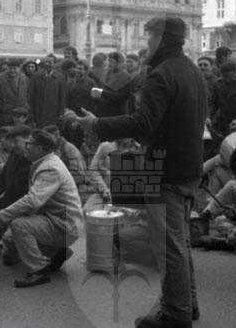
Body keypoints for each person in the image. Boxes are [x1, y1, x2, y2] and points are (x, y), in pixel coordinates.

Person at [76, 17, 207, 328]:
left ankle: (176, 313)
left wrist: (96, 124)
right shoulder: (192, 70)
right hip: (188, 167)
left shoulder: (162, 74)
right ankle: (187, 304)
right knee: (180, 241)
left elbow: (142, 123)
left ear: (162, 38)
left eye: (150, 37)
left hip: (166, 170)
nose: (146, 43)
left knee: (168, 245)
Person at [0, 130, 83, 288]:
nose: (25, 147)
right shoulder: (41, 162)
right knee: (10, 239)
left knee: (19, 226)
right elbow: (6, 183)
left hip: (65, 225)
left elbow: (31, 201)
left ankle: (39, 270)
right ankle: (56, 252)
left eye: (28, 144)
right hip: (54, 219)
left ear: (39, 149)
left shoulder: (50, 168)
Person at [28, 55, 67, 128]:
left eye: (49, 62)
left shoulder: (60, 78)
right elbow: (31, 96)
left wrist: (61, 113)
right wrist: (31, 112)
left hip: (53, 112)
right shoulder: (36, 76)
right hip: (38, 112)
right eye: (46, 62)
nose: (47, 64)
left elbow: (62, 97)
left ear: (54, 63)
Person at [0, 59, 29, 126]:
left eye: (14, 68)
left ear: (19, 68)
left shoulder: (25, 78)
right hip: (7, 115)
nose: (12, 70)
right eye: (10, 68)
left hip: (22, 115)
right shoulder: (0, 79)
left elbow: (28, 95)